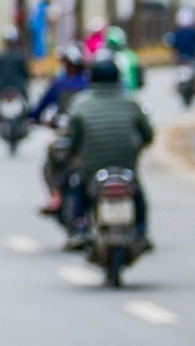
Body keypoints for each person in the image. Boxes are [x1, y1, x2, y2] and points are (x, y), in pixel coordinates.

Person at [62, 55, 154, 247]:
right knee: (138, 196)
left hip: (92, 169)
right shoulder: (132, 103)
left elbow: (72, 139)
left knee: (78, 188)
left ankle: (79, 229)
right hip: (125, 167)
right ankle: (141, 232)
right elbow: (148, 135)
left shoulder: (80, 104)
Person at [30, 44, 90, 125]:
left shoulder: (59, 84)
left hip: (64, 127)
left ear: (70, 65)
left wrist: (31, 115)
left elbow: (40, 109)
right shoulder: (88, 84)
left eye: (65, 64)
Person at [0, 28, 32, 101]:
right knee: (26, 101)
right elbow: (25, 73)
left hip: (2, 87)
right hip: (18, 86)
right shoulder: (20, 56)